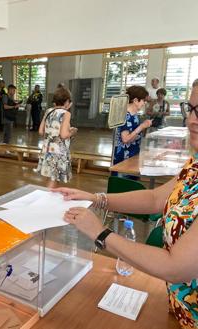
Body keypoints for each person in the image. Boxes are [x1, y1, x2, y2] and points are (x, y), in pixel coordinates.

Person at [56, 82, 198, 329]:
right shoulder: (194, 164)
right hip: (179, 308)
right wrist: (96, 197)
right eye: (192, 108)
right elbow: (155, 198)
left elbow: (176, 268)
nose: (192, 121)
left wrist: (101, 233)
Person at [35, 85, 77, 188]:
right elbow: (63, 135)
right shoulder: (66, 114)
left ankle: (49, 199)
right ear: (67, 101)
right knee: (54, 179)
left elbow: (41, 131)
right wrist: (73, 132)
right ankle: (46, 200)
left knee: (53, 177)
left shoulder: (49, 111)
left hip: (47, 149)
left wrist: (52, 133)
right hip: (58, 151)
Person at [112, 86, 152, 167]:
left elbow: (133, 135)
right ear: (135, 100)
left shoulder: (134, 115)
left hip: (133, 154)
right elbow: (125, 139)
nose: (144, 103)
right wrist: (141, 127)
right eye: (143, 100)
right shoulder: (125, 115)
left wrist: (143, 128)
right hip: (123, 158)